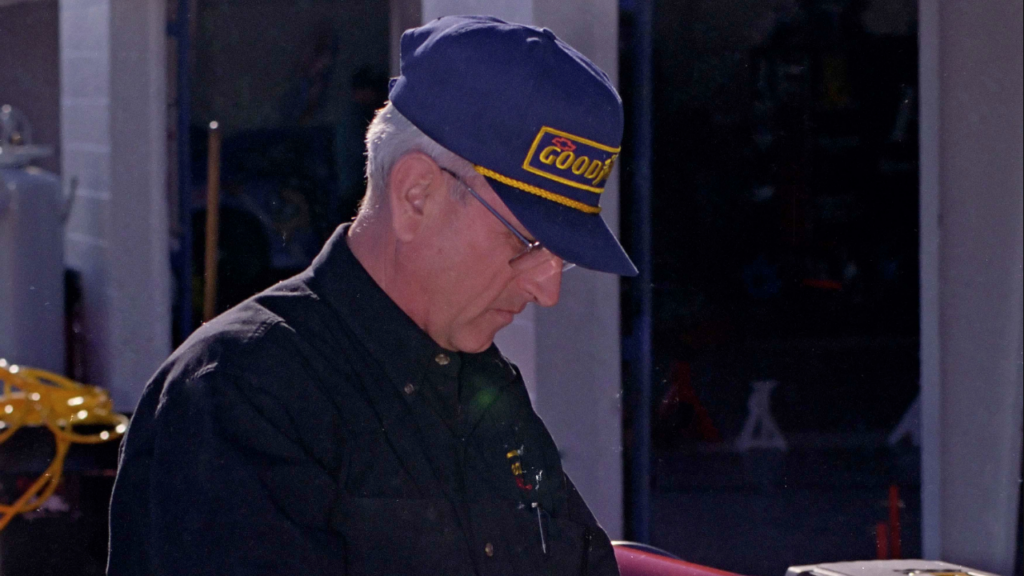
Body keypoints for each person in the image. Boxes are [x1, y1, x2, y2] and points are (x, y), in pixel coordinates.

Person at [107, 15, 637, 576]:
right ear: (416, 195)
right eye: (525, 243)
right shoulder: (241, 393)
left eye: (561, 257)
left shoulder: (480, 382)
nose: (547, 290)